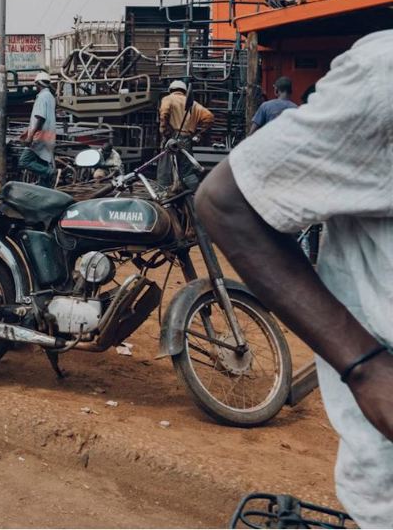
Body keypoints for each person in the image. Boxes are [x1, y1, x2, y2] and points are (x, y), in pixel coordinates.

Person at [195, 31, 393, 528]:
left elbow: (256, 145)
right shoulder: (380, 76)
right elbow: (233, 194)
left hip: (296, 176)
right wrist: (367, 367)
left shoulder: (267, 113)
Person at [156, 80, 213, 188]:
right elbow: (209, 117)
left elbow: (164, 113)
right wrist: (199, 134)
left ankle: (163, 192)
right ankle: (191, 193)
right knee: (187, 170)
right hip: (187, 139)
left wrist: (164, 130)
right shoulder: (193, 103)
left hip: (172, 138)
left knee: (166, 168)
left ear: (171, 90)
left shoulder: (168, 99)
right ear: (184, 91)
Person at [18, 71, 56, 188]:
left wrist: (30, 136)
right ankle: (46, 189)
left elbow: (40, 118)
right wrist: (28, 130)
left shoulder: (42, 97)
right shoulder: (50, 96)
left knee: (24, 161)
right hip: (49, 135)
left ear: (38, 84)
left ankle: (50, 172)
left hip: (40, 136)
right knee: (42, 162)